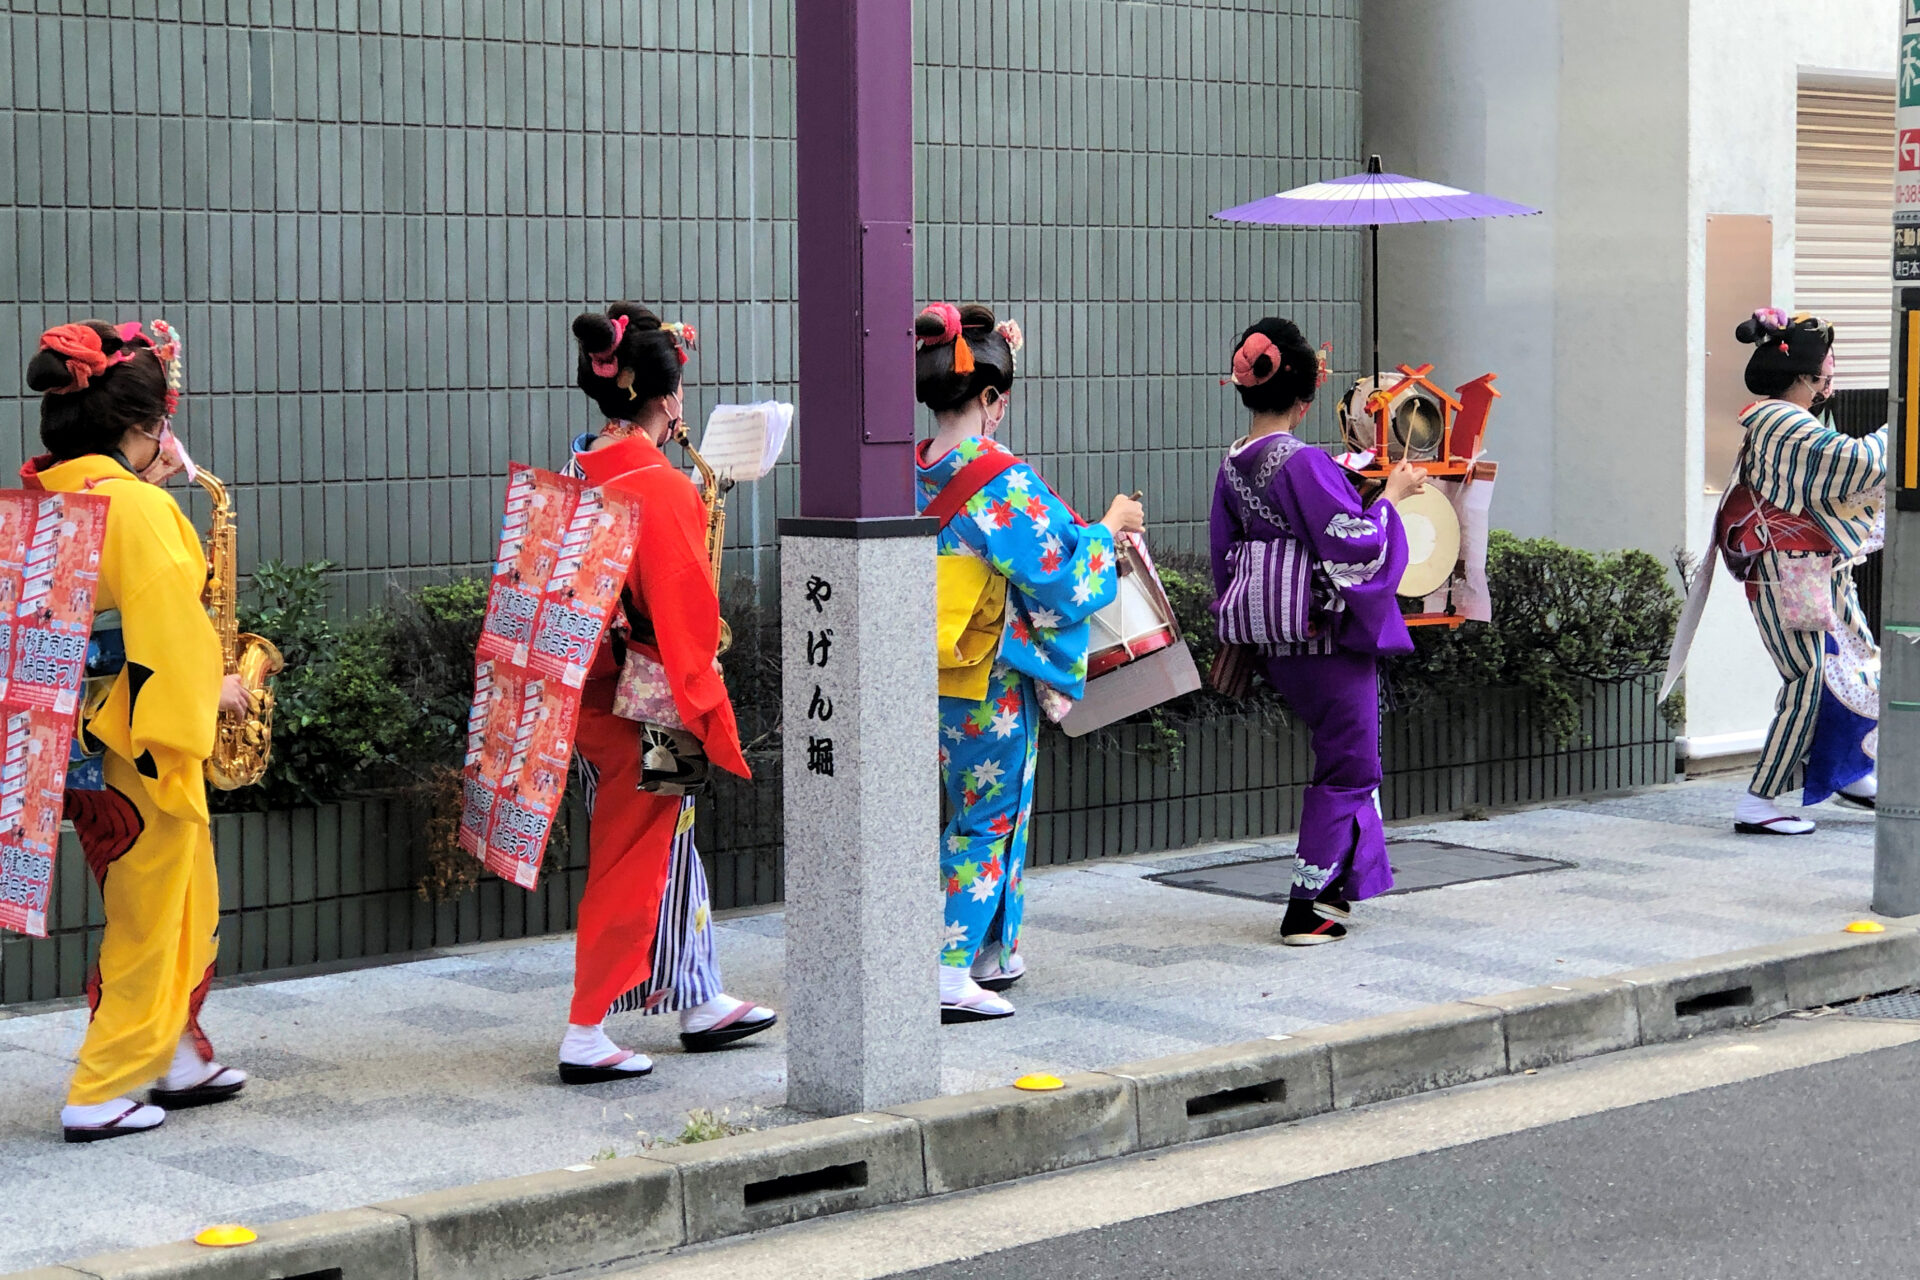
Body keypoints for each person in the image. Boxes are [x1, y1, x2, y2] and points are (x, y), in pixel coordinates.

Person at [20, 320, 250, 1141]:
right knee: (151, 912)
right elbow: (167, 635)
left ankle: (175, 1054)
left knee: (181, 898)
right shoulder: (142, 510)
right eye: (159, 427)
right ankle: (102, 1085)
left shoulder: (39, 497)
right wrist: (218, 691)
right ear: (138, 427)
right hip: (138, 744)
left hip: (72, 737)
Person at [554, 303, 776, 1082]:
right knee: (637, 847)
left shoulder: (581, 463)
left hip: (586, 689)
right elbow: (684, 614)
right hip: (650, 693)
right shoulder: (665, 487)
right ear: (669, 397)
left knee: (669, 841)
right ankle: (586, 1029)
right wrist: (708, 694)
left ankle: (700, 996)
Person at [913, 303, 1142, 1022]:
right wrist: (1109, 527)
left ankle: (991, 951)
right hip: (988, 671)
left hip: (932, 663)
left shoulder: (908, 465)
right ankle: (951, 969)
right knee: (991, 816)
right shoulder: (999, 478)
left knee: (975, 809)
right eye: (999, 398)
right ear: (986, 398)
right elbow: (1065, 581)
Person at [1208, 318, 1426, 946]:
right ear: (1306, 399)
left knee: (1343, 757)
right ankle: (1308, 905)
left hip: (1276, 638)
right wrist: (1391, 497)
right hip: (1325, 636)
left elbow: (1226, 551)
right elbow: (1354, 548)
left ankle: (1337, 886)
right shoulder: (1302, 461)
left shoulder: (1234, 465)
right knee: (1352, 766)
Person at [1727, 310, 1884, 836]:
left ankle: (1851, 768)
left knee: (1853, 662)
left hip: (1809, 567)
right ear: (1806, 375)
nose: (1832, 375)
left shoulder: (1786, 417)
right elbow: (1856, 464)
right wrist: (1899, 425)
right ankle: (1760, 799)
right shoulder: (1782, 420)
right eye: (1828, 367)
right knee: (1810, 678)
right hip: (1788, 571)